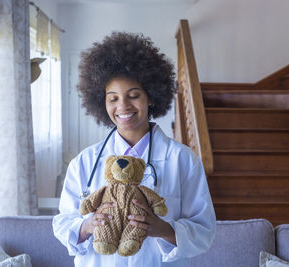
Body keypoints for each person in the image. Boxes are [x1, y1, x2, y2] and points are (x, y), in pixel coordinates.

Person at [52, 32, 216, 267]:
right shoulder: (84, 162)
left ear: (151, 97)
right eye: (113, 98)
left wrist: (163, 229)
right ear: (102, 102)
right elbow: (62, 223)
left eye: (133, 95)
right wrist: (86, 226)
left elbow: (204, 231)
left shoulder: (183, 160)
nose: (123, 106)